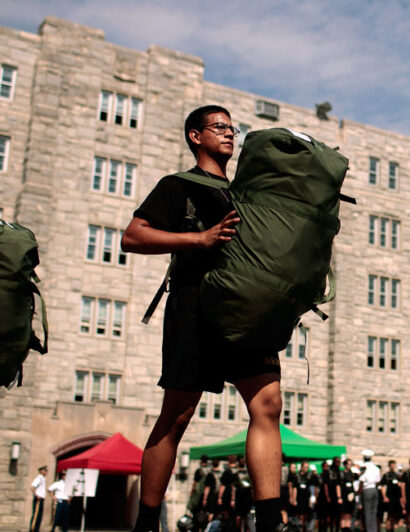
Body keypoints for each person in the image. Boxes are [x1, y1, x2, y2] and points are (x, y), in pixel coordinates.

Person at [124, 105, 293, 532]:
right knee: (177, 416)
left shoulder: (246, 194)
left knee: (268, 405)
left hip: (246, 310)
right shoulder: (178, 185)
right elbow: (133, 236)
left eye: (233, 128)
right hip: (194, 306)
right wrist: (199, 238)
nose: (230, 133)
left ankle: (269, 523)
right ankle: (147, 523)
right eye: (220, 127)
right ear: (195, 136)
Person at [358, 450, 382, 532]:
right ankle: (373, 529)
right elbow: (378, 481)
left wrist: (359, 491)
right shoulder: (375, 468)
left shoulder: (364, 467)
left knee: (367, 512)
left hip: (367, 489)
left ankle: (369, 529)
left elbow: (361, 480)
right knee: (373, 512)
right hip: (374, 489)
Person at [381, 461, 403, 532]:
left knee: (394, 516)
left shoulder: (397, 475)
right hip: (389, 497)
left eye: (394, 465)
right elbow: (382, 487)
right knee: (389, 515)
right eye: (392, 465)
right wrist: (385, 497)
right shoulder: (386, 475)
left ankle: (393, 529)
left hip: (396, 498)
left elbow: (401, 486)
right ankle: (388, 529)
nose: (393, 466)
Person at [295, 462, 316, 530]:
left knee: (306, 515)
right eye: (305, 467)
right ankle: (300, 528)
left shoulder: (308, 476)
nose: (306, 468)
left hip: (306, 497)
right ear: (302, 467)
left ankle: (304, 528)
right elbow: (294, 488)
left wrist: (314, 474)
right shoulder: (297, 475)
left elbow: (313, 485)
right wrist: (294, 498)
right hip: (299, 497)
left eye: (307, 467)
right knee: (300, 514)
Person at [30, 465, 49, 532]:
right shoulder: (39, 478)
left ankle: (37, 530)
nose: (46, 472)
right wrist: (36, 495)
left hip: (41, 499)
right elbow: (32, 487)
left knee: (40, 516)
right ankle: (32, 530)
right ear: (42, 471)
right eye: (45, 470)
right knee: (36, 515)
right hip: (38, 499)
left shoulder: (43, 479)